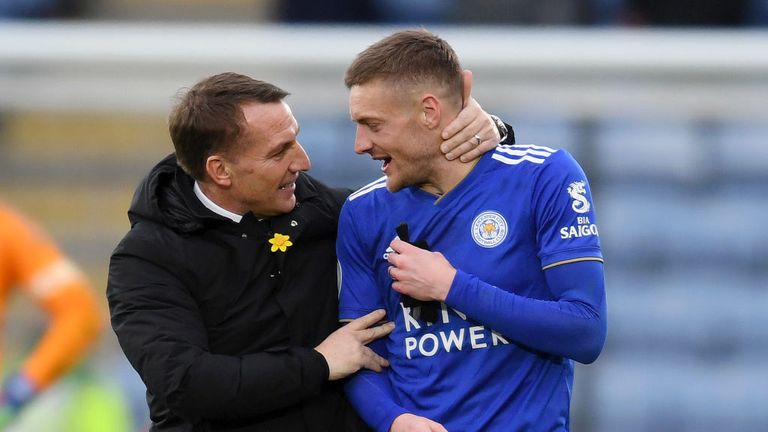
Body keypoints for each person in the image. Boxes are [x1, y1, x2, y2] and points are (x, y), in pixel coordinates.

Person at [106, 71, 505, 431]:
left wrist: (489, 138)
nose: (303, 161)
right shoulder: (146, 259)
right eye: (280, 152)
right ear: (220, 171)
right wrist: (320, 364)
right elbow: (188, 382)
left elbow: (426, 208)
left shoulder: (312, 204)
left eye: (295, 138)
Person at [337, 29, 607, 432]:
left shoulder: (544, 177)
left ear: (429, 112)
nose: (360, 144)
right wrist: (394, 420)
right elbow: (359, 354)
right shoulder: (362, 212)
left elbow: (585, 331)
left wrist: (451, 286)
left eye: (372, 125)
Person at [0, 202, 102, 428]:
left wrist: (21, 389)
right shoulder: (8, 230)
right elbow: (82, 312)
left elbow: (80, 312)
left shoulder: (8, 232)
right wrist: (21, 389)